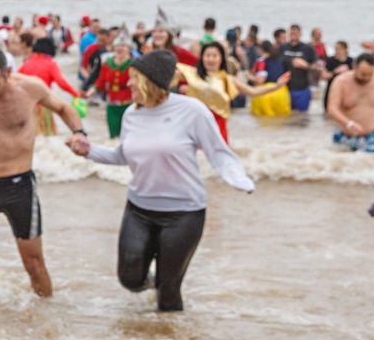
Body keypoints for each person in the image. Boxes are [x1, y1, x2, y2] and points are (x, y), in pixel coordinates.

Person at [67, 50, 255, 311]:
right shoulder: (131, 114)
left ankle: (171, 333)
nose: (128, 83)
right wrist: (88, 151)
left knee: (168, 293)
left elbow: (219, 152)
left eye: (134, 78)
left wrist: (238, 178)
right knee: (130, 278)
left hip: (184, 214)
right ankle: (157, 298)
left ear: (150, 82)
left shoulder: (192, 110)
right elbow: (124, 155)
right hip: (139, 210)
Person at [0, 47, 87, 297]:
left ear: (8, 72)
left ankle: (46, 314)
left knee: (34, 264)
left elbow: (62, 108)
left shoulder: (30, 88)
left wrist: (79, 133)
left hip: (20, 188)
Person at [176, 42, 289, 143]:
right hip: (196, 125)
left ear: (221, 59)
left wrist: (277, 85)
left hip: (218, 128)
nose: (211, 59)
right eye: (207, 55)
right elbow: (170, 76)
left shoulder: (228, 80)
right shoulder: (191, 75)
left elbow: (253, 91)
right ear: (202, 58)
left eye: (214, 56)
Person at [326, 54, 374, 153]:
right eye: (363, 74)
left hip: (373, 135)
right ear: (354, 67)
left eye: (370, 74)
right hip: (346, 135)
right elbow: (332, 109)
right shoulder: (341, 82)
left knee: (373, 160)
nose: (367, 78)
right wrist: (348, 123)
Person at [87, 31, 135, 138]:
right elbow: (101, 81)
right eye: (117, 46)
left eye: (123, 46)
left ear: (129, 48)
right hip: (112, 105)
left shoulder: (134, 64)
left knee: (129, 135)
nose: (120, 48)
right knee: (114, 137)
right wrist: (91, 91)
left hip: (129, 105)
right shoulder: (107, 63)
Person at [278, 24, 316, 111]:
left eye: (296, 33)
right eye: (292, 33)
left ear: (300, 34)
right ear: (288, 34)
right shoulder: (283, 47)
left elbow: (317, 67)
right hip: (285, 88)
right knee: (286, 115)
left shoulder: (307, 48)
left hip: (302, 89)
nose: (293, 35)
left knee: (302, 116)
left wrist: (306, 65)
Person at [322, 40, 352, 112]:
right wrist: (335, 72)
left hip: (346, 93)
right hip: (331, 92)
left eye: (339, 49)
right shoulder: (330, 60)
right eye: (336, 49)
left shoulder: (351, 61)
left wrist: (348, 72)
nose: (337, 51)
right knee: (329, 113)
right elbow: (323, 76)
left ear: (346, 49)